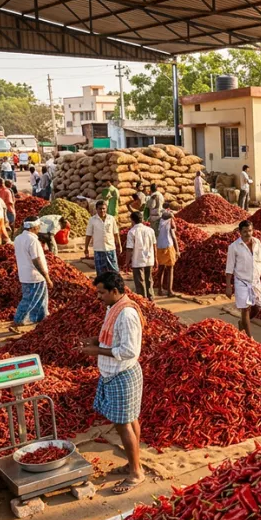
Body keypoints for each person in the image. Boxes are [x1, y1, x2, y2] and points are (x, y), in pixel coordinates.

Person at [79, 271, 146, 494]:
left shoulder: (126, 314)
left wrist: (96, 350)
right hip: (116, 373)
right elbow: (112, 337)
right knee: (129, 419)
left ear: (115, 291)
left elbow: (129, 350)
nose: (98, 297)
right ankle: (133, 463)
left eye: (101, 292)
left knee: (123, 423)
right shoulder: (113, 308)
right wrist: (95, 340)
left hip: (123, 373)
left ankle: (136, 474)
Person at [225, 220, 261, 337]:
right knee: (245, 309)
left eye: (250, 231)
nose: (248, 234)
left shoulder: (257, 243)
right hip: (241, 282)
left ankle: (242, 323)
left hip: (255, 281)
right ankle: (250, 338)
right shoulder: (234, 247)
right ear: (240, 232)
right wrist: (228, 286)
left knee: (258, 306)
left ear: (252, 230)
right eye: (245, 231)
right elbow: (229, 268)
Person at [12, 217, 53, 328]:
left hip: (25, 274)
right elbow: (36, 260)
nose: (39, 228)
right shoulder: (32, 240)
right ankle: (18, 320)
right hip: (35, 275)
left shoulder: (18, 238)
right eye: (38, 226)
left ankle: (41, 318)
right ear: (34, 227)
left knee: (41, 299)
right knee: (29, 299)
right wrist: (46, 276)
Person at [85, 200, 122, 276]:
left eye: (103, 208)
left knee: (114, 271)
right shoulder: (92, 220)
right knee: (101, 272)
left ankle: (114, 286)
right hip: (99, 249)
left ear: (106, 209)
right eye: (100, 209)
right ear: (96, 209)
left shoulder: (111, 219)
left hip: (110, 248)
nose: (102, 210)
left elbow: (116, 233)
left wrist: (119, 245)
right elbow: (88, 235)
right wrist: (86, 248)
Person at [125, 211, 157, 299]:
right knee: (149, 280)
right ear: (142, 219)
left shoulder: (132, 232)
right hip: (149, 259)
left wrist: (127, 262)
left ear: (132, 220)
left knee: (140, 282)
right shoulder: (150, 230)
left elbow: (129, 249)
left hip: (138, 260)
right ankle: (151, 299)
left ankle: (143, 299)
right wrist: (156, 259)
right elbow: (154, 245)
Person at [154, 210, 178, 298]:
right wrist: (177, 250)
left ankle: (160, 290)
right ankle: (170, 291)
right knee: (170, 269)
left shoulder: (158, 222)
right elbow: (174, 237)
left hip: (159, 247)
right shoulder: (169, 222)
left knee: (161, 269)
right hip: (168, 247)